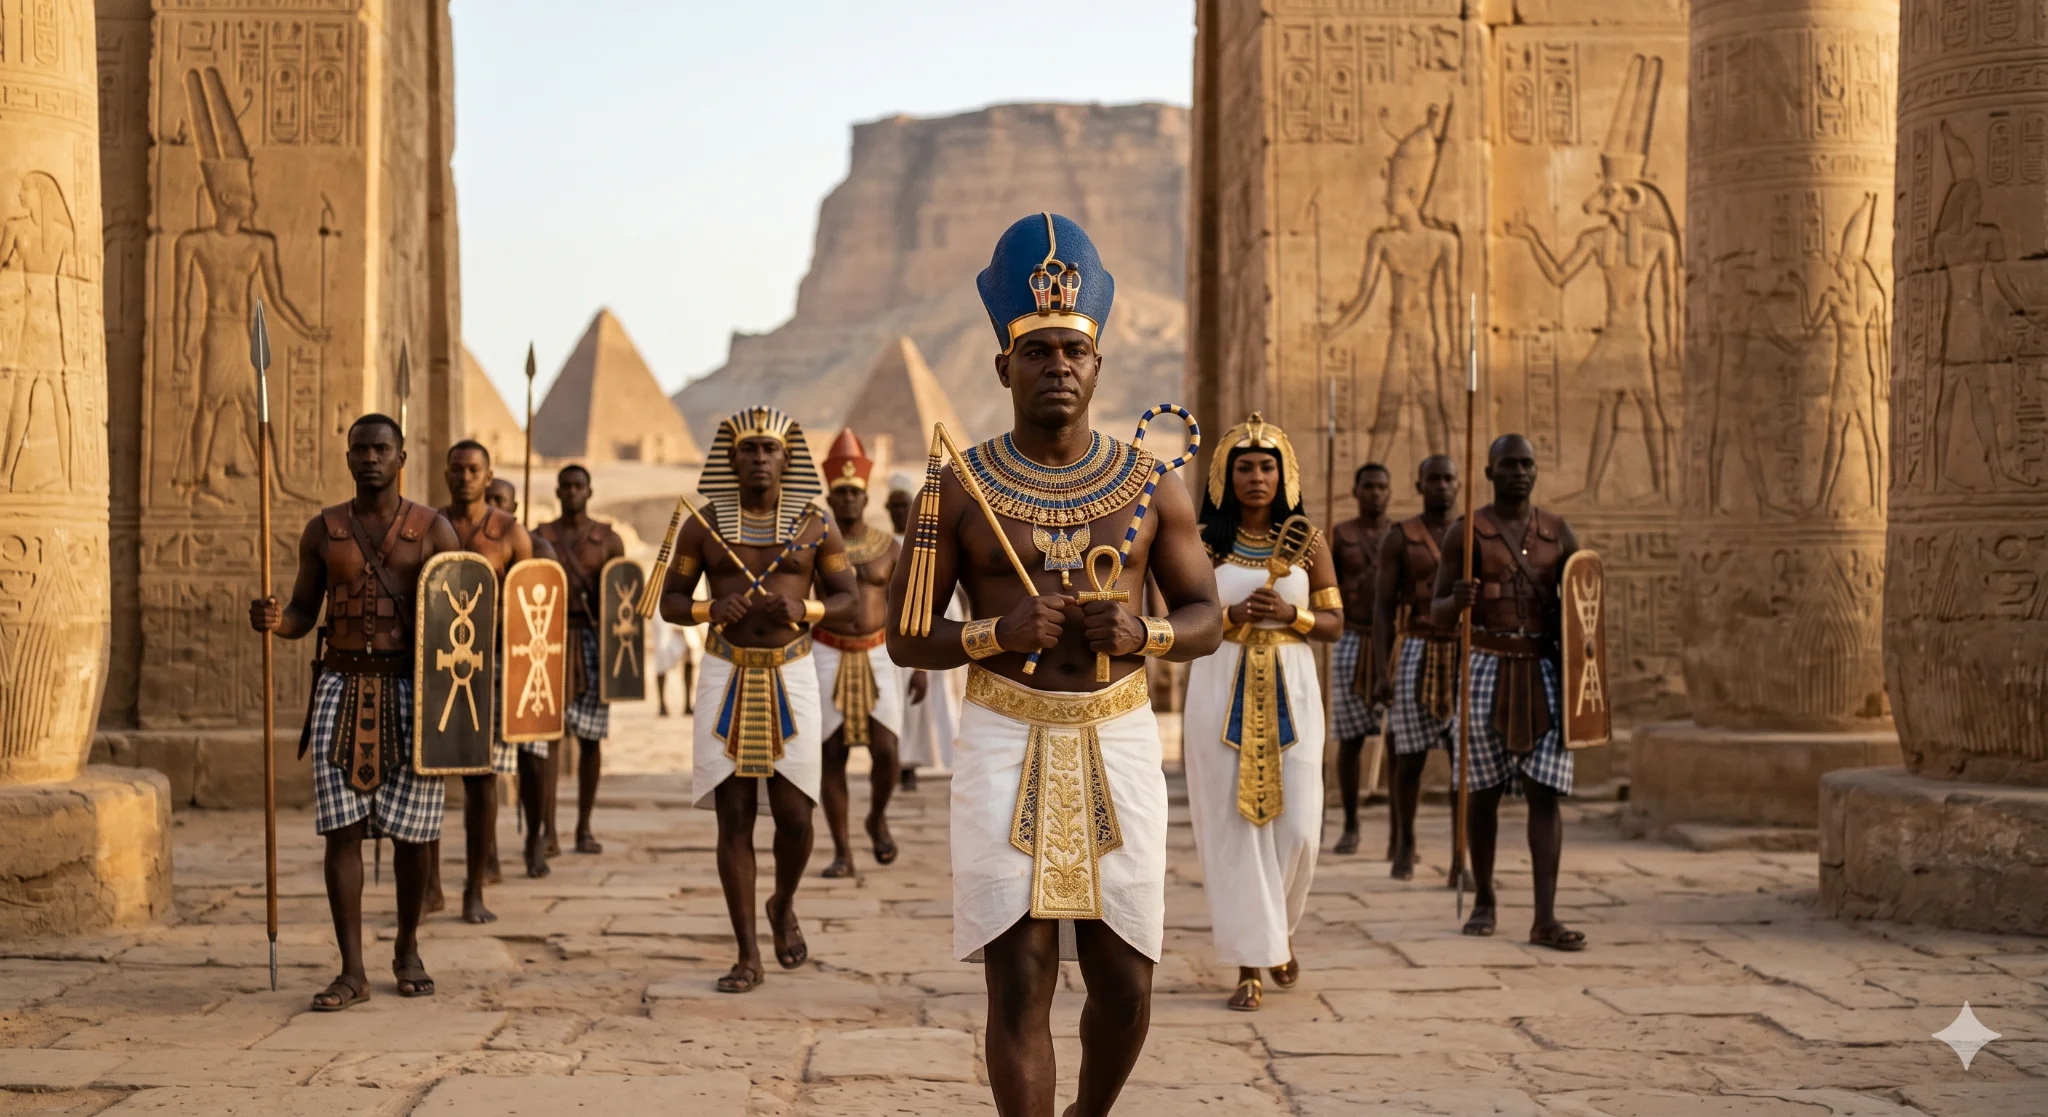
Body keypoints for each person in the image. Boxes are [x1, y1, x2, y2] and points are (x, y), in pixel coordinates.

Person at [885, 213, 1222, 1116]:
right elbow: (905, 635)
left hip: (1116, 734)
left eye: (1073, 350)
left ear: (1099, 365)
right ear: (1004, 367)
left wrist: (1144, 636)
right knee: (1020, 984)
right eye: (1037, 352)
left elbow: (1207, 617)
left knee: (1125, 985)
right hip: (1004, 733)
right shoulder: (956, 485)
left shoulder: (1152, 486)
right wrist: (998, 633)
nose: (1058, 367)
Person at [248, 414, 461, 1010]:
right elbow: (300, 612)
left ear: (400, 459)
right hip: (341, 689)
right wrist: (274, 622)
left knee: (413, 836)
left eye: (380, 449)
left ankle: (408, 947)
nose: (369, 458)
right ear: (348, 459)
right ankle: (352, 970)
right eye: (360, 449)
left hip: (411, 695)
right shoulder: (323, 530)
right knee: (340, 832)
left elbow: (463, 618)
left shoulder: (434, 530)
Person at [660, 406, 857, 992]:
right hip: (725, 672)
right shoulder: (702, 524)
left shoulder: (815, 524)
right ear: (731, 458)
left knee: (796, 816)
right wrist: (708, 609)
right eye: (749, 449)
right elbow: (670, 599)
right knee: (735, 816)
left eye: (770, 449)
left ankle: (783, 902)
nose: (759, 459)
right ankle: (747, 954)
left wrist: (807, 608)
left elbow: (847, 597)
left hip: (792, 675)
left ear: (787, 458)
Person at [1182, 415, 1340, 1011]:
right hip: (1220, 683)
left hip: (1292, 688)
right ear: (1225, 474)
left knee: (1298, 825)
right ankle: (1251, 960)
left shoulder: (1309, 543)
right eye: (1244, 466)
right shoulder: (1201, 543)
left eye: (1267, 466)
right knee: (1233, 825)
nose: (1256, 476)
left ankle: (1281, 932)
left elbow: (1333, 623)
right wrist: (1232, 617)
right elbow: (1180, 619)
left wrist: (1289, 615)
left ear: (1284, 474)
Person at [1433, 434, 1586, 951]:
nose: (1519, 472)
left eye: (1527, 464)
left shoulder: (1558, 532)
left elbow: (1584, 605)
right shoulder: (1467, 532)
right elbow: (1434, 612)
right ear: (1490, 472)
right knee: (1483, 792)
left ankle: (1545, 916)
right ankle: (1484, 900)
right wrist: (1457, 600)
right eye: (1509, 464)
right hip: (1486, 666)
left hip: (1542, 669)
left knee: (1546, 794)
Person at [423, 441, 535, 923]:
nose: (464, 476)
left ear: (489, 476)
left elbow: (529, 606)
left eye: (474, 469)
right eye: (457, 468)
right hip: (434, 668)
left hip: (486, 670)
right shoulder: (426, 525)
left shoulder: (510, 533)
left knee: (482, 782)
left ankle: (474, 889)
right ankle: (429, 887)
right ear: (446, 472)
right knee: (425, 778)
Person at [812, 430, 905, 878]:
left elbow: (907, 609)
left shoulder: (890, 548)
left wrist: (919, 667)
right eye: (840, 493)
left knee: (887, 750)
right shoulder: (813, 545)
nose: (847, 500)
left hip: (879, 653)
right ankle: (842, 851)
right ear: (831, 496)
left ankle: (876, 817)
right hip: (825, 651)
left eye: (854, 493)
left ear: (866, 496)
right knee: (831, 754)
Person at [1372, 454, 1460, 881]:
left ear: (1459, 486)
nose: (1442, 486)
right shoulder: (1401, 538)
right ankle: (1405, 842)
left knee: (1468, 760)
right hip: (1416, 648)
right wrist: (1382, 671)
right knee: (1409, 756)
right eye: (1434, 479)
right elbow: (1383, 607)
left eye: (1449, 479)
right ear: (1420, 485)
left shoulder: (1475, 534)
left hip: (1463, 654)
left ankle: (1462, 854)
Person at [533, 466, 624, 856]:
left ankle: (584, 828)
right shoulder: (540, 536)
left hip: (590, 643)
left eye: (578, 487)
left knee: (590, 739)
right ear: (557, 491)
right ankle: (547, 830)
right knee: (548, 738)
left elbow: (622, 599)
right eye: (565, 487)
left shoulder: (608, 540)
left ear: (589, 491)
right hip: (547, 642)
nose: (571, 492)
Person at [486, 478, 563, 878]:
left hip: (528, 665)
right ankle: (489, 851)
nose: (495, 506)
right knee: (487, 769)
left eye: (502, 501)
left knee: (533, 763)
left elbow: (551, 614)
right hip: (486, 663)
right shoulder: (465, 542)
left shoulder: (539, 549)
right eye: (490, 499)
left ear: (515, 507)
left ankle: (535, 837)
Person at [1327, 462, 1392, 856]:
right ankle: (1350, 823)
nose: (1375, 493)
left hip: (1389, 641)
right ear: (1355, 490)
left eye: (1382, 487)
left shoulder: (1400, 535)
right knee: (1350, 737)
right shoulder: (1342, 535)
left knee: (1399, 739)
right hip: (1352, 638)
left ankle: (1401, 835)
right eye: (1368, 486)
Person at [885, 480, 942, 792]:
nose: (899, 511)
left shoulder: (928, 542)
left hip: (920, 631)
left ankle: (910, 767)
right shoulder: (881, 545)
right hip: (885, 639)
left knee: (916, 706)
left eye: (904, 505)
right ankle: (892, 763)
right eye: (893, 506)